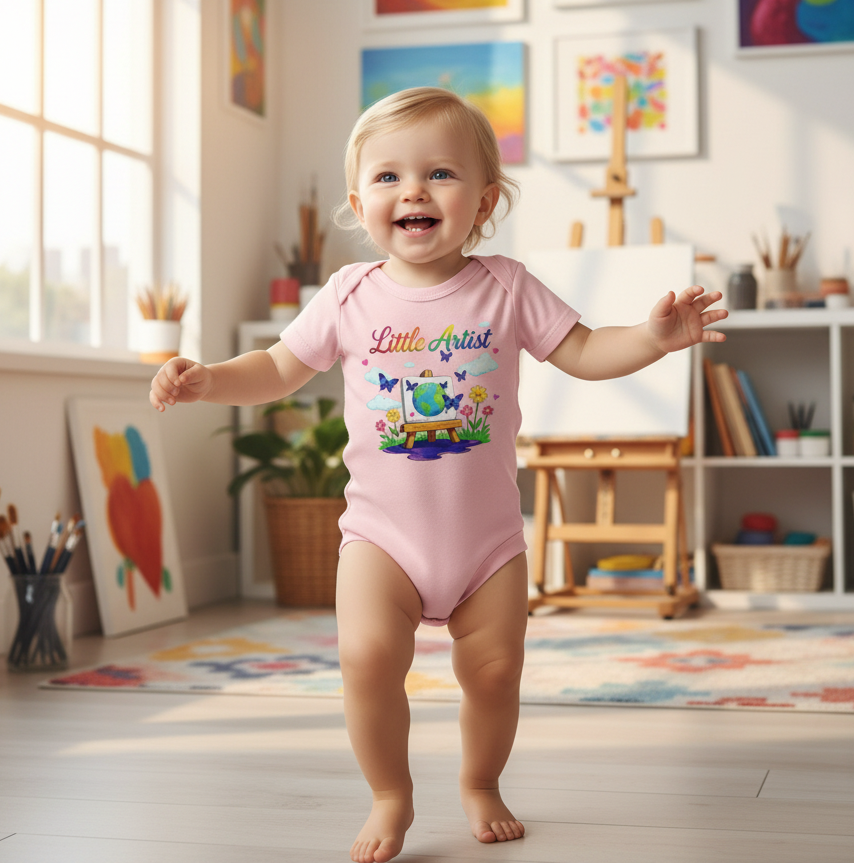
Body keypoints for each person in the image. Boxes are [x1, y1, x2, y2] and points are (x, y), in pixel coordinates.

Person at [149, 87, 727, 864]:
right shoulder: (349, 294)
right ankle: (391, 792)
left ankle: (481, 782)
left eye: (440, 174)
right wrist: (211, 379)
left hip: (486, 545)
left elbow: (586, 352)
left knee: (494, 672)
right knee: (365, 661)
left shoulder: (508, 287)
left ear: (485, 202)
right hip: (380, 540)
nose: (413, 191)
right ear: (359, 202)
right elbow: (280, 367)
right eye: (388, 178)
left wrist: (653, 338)